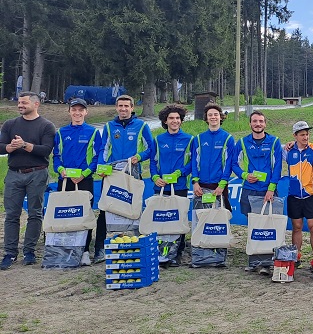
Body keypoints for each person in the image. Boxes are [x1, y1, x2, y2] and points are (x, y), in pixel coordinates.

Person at [0, 92, 56, 270]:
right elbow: (1, 146)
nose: (20, 105)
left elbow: (46, 150)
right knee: (11, 214)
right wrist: (9, 147)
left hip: (37, 174)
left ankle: (29, 251)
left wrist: (24, 145)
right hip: (14, 174)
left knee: (35, 213)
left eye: (24, 103)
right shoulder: (10, 124)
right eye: (19, 103)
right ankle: (9, 253)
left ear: (36, 104)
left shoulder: (46, 126)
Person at [97, 94, 154, 262]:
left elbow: (151, 149)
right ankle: (100, 248)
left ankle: (136, 244)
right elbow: (103, 150)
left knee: (134, 208)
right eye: (120, 106)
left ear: (132, 108)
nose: (123, 109)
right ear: (116, 108)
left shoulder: (141, 126)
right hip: (112, 173)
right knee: (105, 208)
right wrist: (102, 167)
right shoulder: (109, 126)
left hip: (133, 173)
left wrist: (140, 156)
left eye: (126, 106)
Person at [231, 111, 282, 274]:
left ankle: (268, 261)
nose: (258, 124)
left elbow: (278, 167)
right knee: (254, 226)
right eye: (255, 121)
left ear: (265, 124)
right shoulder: (242, 142)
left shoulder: (274, 142)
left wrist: (271, 188)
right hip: (249, 190)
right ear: (250, 124)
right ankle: (254, 261)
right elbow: (234, 164)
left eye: (260, 121)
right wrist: (245, 175)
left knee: (269, 226)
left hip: (268, 191)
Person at [52, 98, 102, 266]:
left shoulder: (93, 132)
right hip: (65, 181)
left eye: (81, 110)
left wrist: (85, 173)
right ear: (69, 112)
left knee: (84, 215)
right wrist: (61, 171)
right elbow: (56, 159)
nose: (77, 113)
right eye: (74, 110)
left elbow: (97, 158)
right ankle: (67, 249)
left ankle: (85, 251)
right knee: (66, 215)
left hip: (84, 180)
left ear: (86, 112)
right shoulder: (61, 133)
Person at [149, 104, 193, 267]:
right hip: (160, 187)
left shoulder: (189, 139)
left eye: (177, 118)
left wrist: (178, 173)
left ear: (181, 121)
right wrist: (154, 177)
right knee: (161, 220)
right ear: (165, 121)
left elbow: (191, 165)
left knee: (178, 220)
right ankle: (160, 252)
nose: (174, 121)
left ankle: (177, 253)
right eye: (171, 118)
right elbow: (153, 161)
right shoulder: (158, 139)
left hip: (180, 186)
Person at [283, 121, 313, 268]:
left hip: (311, 194)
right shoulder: (287, 150)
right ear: (295, 136)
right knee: (297, 226)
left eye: (307, 134)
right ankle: (296, 255)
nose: (305, 137)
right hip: (294, 195)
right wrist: (288, 144)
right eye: (302, 135)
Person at [191, 103, 235, 213]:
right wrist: (195, 182)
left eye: (216, 114)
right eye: (210, 115)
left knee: (219, 219)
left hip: (219, 186)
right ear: (206, 118)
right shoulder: (199, 138)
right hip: (201, 186)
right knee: (201, 219)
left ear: (221, 117)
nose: (213, 117)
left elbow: (229, 163)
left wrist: (222, 185)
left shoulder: (228, 138)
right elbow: (194, 162)